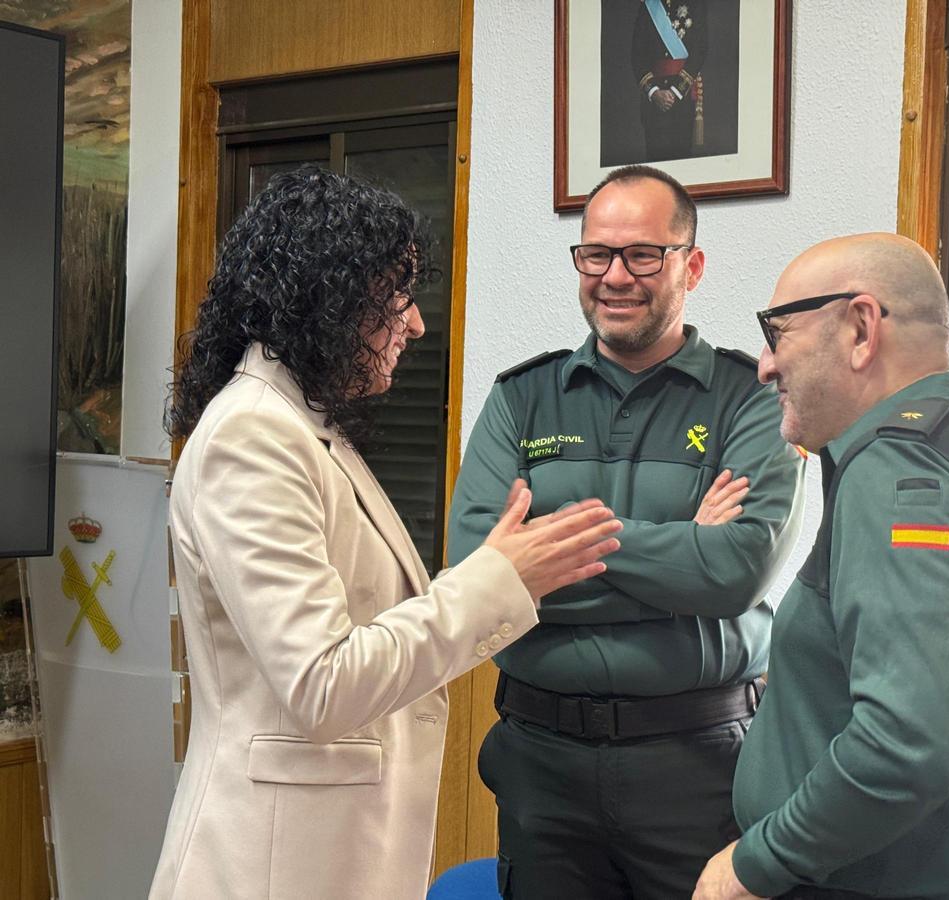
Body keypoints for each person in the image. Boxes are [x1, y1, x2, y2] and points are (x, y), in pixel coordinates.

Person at [149, 166, 621, 900]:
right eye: (399, 295)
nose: (417, 324)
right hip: (270, 864)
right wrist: (498, 580)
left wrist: (498, 573)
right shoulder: (253, 437)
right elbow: (322, 684)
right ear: (329, 295)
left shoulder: (303, 425)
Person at [448, 164, 804, 899]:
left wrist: (548, 547)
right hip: (541, 765)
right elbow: (477, 576)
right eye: (597, 254)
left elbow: (734, 571)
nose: (615, 276)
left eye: (643, 255)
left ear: (691, 267)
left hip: (698, 763)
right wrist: (681, 550)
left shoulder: (751, 398)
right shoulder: (521, 398)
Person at [693, 234, 949, 900]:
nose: (764, 365)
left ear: (861, 329)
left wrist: (756, 863)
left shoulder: (900, 472)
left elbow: (912, 742)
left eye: (777, 333)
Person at [631, 0, 707, 162]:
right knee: (655, 162)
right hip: (653, 101)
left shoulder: (696, 4)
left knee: (681, 160)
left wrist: (676, 91)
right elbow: (637, 56)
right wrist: (654, 92)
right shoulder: (649, 6)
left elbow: (700, 50)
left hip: (682, 98)